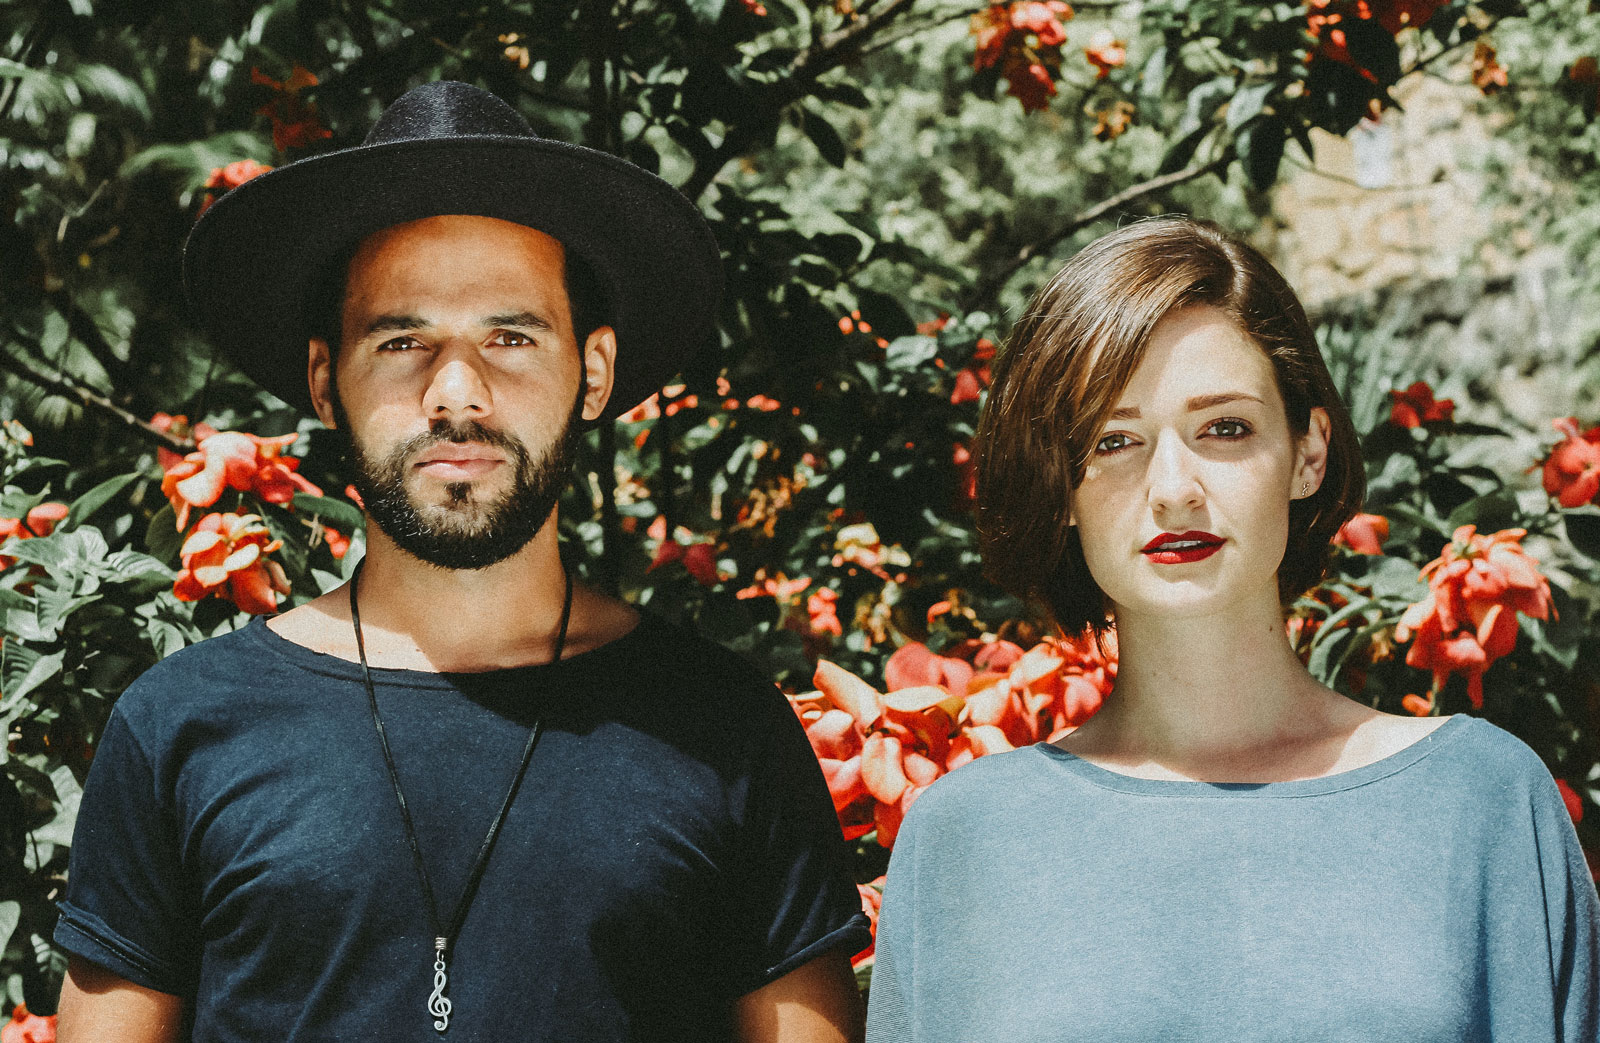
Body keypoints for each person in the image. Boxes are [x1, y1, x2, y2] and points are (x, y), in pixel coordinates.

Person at [53, 81, 870, 1043]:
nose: (456, 393)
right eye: (402, 340)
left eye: (510, 337)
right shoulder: (178, 726)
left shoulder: (725, 731)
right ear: (325, 379)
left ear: (595, 372)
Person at [864, 217, 1599, 1041]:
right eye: (1113, 439)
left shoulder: (1482, 800)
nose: (1174, 488)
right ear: (1061, 485)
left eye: (1224, 428)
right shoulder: (964, 838)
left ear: (1309, 452)